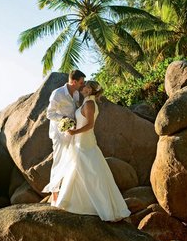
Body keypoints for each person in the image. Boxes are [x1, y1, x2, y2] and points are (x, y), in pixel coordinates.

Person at [54, 80, 131, 222]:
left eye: (87, 86)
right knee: (79, 168)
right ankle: (73, 202)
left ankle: (99, 206)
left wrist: (75, 131)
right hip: (80, 140)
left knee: (90, 171)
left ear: (91, 90)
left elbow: (90, 125)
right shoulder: (86, 102)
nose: (84, 87)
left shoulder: (89, 104)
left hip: (85, 141)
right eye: (85, 86)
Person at [42, 69, 86, 205]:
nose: (82, 85)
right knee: (59, 160)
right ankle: (54, 195)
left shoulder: (78, 93)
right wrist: (65, 119)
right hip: (59, 133)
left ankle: (70, 192)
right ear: (73, 82)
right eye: (81, 82)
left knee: (72, 159)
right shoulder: (58, 93)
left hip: (73, 131)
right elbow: (49, 114)